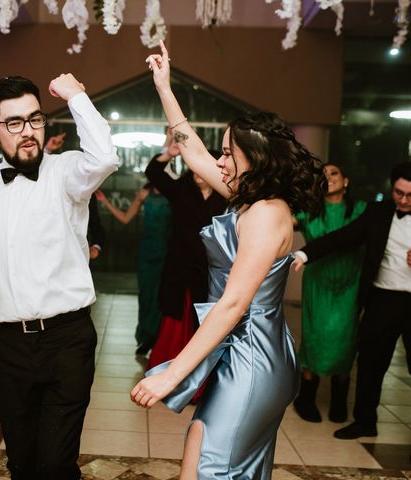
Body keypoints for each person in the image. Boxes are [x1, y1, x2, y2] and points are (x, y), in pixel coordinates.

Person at [131, 41, 320, 479]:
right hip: (241, 352)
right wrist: (164, 86)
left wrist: (171, 375)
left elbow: (234, 305)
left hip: (253, 358)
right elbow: (191, 148)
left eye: (227, 154)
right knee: (204, 453)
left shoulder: (266, 215)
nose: (217, 161)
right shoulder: (250, 196)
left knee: (208, 465)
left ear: (252, 161)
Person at [0, 74, 118, 479]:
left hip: (67, 339)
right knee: (22, 461)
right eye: (14, 123)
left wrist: (76, 96)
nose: (28, 132)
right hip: (8, 343)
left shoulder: (67, 172)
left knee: (54, 464)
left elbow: (105, 157)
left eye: (35, 119)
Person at [293, 161, 411, 439]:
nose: (404, 200)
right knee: (370, 362)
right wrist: (305, 254)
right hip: (382, 297)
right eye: (398, 193)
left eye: (410, 195)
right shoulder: (378, 212)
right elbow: (341, 237)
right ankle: (365, 422)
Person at [291, 163, 366, 423]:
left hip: (348, 285)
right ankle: (306, 399)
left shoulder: (361, 210)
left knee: (345, 340)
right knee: (315, 338)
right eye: (323, 175)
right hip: (318, 286)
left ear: (346, 181)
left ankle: (339, 401)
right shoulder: (308, 212)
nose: (329, 178)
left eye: (334, 173)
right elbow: (278, 220)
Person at [145, 138, 227, 370]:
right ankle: (169, 372)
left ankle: (201, 380)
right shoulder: (180, 190)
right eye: (196, 166)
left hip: (212, 273)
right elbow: (153, 171)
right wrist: (168, 153)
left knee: (206, 324)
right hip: (180, 271)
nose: (198, 171)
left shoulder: (226, 196)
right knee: (177, 321)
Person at [96, 183, 171, 355]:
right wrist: (106, 202)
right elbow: (125, 218)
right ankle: (146, 337)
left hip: (166, 251)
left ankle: (158, 338)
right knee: (145, 295)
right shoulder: (144, 195)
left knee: (160, 296)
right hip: (147, 251)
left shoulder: (173, 194)